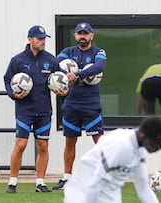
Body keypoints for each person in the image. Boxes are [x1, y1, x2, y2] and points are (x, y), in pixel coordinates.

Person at [3, 25, 67, 193]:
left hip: (44, 110)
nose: (42, 41)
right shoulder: (18, 60)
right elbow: (7, 79)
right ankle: (12, 182)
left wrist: (64, 90)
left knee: (43, 145)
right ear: (30, 39)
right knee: (21, 144)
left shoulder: (51, 60)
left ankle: (40, 183)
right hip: (25, 111)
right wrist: (13, 94)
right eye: (39, 38)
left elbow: (61, 80)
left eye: (44, 38)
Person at [52, 22, 107, 190]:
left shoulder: (98, 52)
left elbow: (100, 66)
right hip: (71, 103)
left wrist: (78, 74)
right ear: (76, 36)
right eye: (79, 33)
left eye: (86, 33)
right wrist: (64, 74)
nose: (82, 36)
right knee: (70, 141)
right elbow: (55, 64)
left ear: (92, 36)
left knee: (100, 141)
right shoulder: (68, 52)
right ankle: (67, 177)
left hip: (91, 104)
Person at [63, 116, 161, 203]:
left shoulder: (139, 151)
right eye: (158, 143)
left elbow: (144, 189)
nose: (159, 148)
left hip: (109, 193)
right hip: (83, 191)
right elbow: (95, 183)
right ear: (143, 135)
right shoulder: (122, 146)